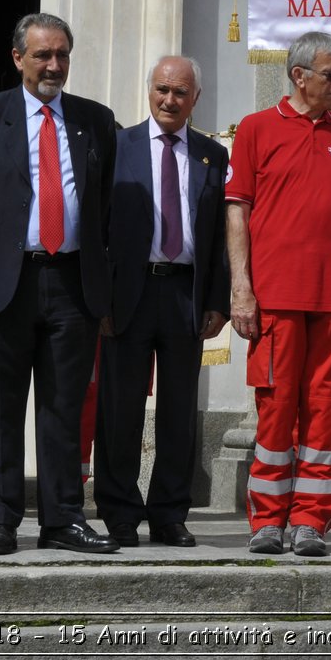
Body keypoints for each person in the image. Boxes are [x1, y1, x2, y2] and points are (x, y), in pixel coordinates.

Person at [0, 13, 119, 557]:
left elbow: (104, 200)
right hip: (4, 280)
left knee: (65, 407)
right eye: (43, 55)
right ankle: (0, 522)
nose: (54, 65)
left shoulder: (96, 119)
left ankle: (63, 517)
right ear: (18, 57)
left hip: (71, 281)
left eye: (62, 54)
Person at [227, 31, 331, 557]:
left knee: (323, 411)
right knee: (276, 408)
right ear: (299, 76)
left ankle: (311, 521)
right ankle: (267, 521)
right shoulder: (256, 129)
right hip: (275, 297)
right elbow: (237, 211)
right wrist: (241, 289)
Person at [94, 56, 230, 547]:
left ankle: (170, 512)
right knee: (120, 408)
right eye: (162, 90)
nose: (169, 100)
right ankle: (119, 512)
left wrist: (218, 299)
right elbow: (98, 228)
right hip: (127, 293)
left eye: (180, 92)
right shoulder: (119, 146)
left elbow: (218, 236)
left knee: (179, 410)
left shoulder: (212, 155)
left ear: (196, 99)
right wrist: (99, 299)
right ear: (149, 91)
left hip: (185, 293)